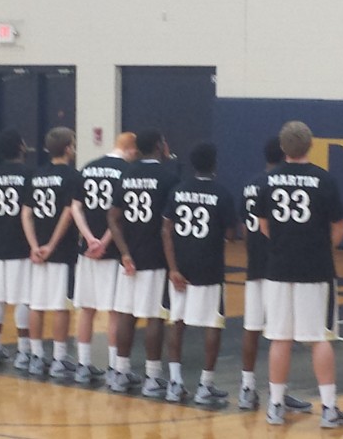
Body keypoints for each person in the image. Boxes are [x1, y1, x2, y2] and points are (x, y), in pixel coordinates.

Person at [255, 120, 343, 428]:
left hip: (278, 267)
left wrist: (286, 244)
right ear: (311, 145)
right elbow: (339, 229)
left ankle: (275, 406)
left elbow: (263, 225)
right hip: (315, 269)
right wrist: (318, 248)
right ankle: (329, 409)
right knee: (319, 338)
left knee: (280, 338)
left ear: (283, 147)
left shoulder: (268, 180)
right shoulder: (324, 180)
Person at [238, 137, 313, 413]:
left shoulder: (250, 184)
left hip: (254, 262)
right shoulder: (281, 182)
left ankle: (247, 388)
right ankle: (278, 392)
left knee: (252, 326)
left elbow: (245, 227)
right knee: (281, 332)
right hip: (277, 264)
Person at [161, 142, 236, 405]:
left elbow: (166, 230)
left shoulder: (178, 191)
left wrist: (172, 268)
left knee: (177, 321)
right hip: (209, 266)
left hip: (180, 267)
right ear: (214, 163)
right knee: (213, 323)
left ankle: (175, 382)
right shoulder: (221, 194)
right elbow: (231, 233)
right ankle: (205, 385)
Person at [107, 128, 178, 398]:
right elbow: (169, 224)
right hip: (156, 256)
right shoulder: (168, 177)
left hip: (129, 257)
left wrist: (124, 252)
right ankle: (152, 376)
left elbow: (113, 217)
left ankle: (120, 372)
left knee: (127, 314)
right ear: (160, 145)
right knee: (154, 317)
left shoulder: (126, 174)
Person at [71, 132, 136, 384]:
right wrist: (104, 242)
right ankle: (114, 368)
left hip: (86, 251)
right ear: (130, 149)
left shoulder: (88, 167)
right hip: (111, 252)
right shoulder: (126, 172)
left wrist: (89, 238)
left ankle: (83, 365)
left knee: (86, 310)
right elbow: (119, 216)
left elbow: (75, 207)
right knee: (114, 312)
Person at [21, 127, 83, 377]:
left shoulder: (36, 175)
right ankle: (59, 358)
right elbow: (68, 213)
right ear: (68, 148)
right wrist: (52, 245)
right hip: (62, 250)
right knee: (60, 305)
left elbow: (26, 213)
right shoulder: (73, 176)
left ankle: (36, 356)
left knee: (36, 304)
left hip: (37, 251)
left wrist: (34, 245)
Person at [0, 129, 33, 368]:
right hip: (21, 243)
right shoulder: (28, 174)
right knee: (23, 298)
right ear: (20, 147)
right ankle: (24, 351)